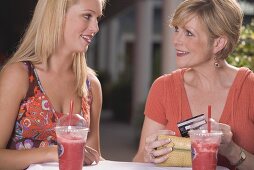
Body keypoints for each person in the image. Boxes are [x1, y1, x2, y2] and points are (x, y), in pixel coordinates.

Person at [133, 0, 254, 169]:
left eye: (189, 33)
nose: (176, 40)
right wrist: (149, 156)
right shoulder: (163, 88)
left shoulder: (250, 88)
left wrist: (231, 150)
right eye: (176, 29)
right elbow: (138, 161)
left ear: (218, 43)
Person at [0, 0, 106, 169]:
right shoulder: (18, 76)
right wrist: (50, 153)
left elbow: (92, 161)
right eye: (87, 16)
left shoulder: (91, 86)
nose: (95, 28)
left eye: (97, 18)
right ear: (57, 17)